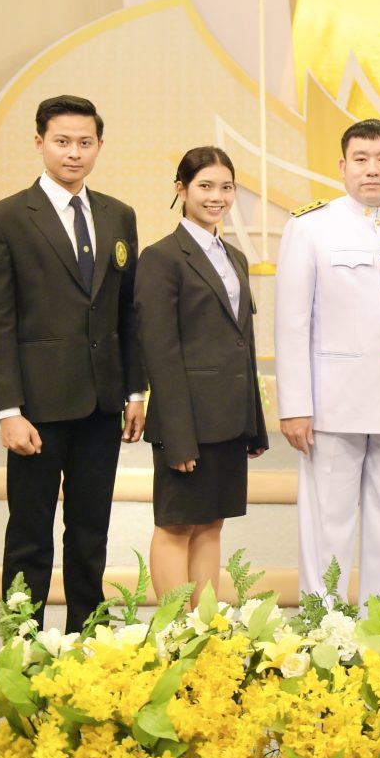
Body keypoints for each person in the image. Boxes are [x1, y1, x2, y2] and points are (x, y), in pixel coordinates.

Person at [0, 94, 145, 631]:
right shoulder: (4, 219)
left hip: (102, 403)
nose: (74, 153)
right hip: (38, 408)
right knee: (29, 533)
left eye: (85, 142)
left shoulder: (118, 214)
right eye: (62, 141)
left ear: (99, 145)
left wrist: (135, 391)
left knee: (91, 530)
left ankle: (87, 638)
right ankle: (22, 641)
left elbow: (127, 312)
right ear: (39, 142)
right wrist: (8, 410)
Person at [274, 119, 380, 602]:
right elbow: (291, 324)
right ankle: (321, 627)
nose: (373, 169)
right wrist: (295, 405)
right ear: (342, 166)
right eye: (361, 159)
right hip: (332, 406)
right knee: (326, 525)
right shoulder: (310, 226)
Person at [136, 147, 268, 600]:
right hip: (187, 419)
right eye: (205, 186)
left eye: (226, 187)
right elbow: (160, 351)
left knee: (211, 524)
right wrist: (178, 435)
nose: (217, 197)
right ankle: (175, 629)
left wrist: (253, 423)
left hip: (228, 419)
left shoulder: (235, 257)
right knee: (176, 526)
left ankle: (205, 626)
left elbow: (242, 344)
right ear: (182, 189)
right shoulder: (162, 257)